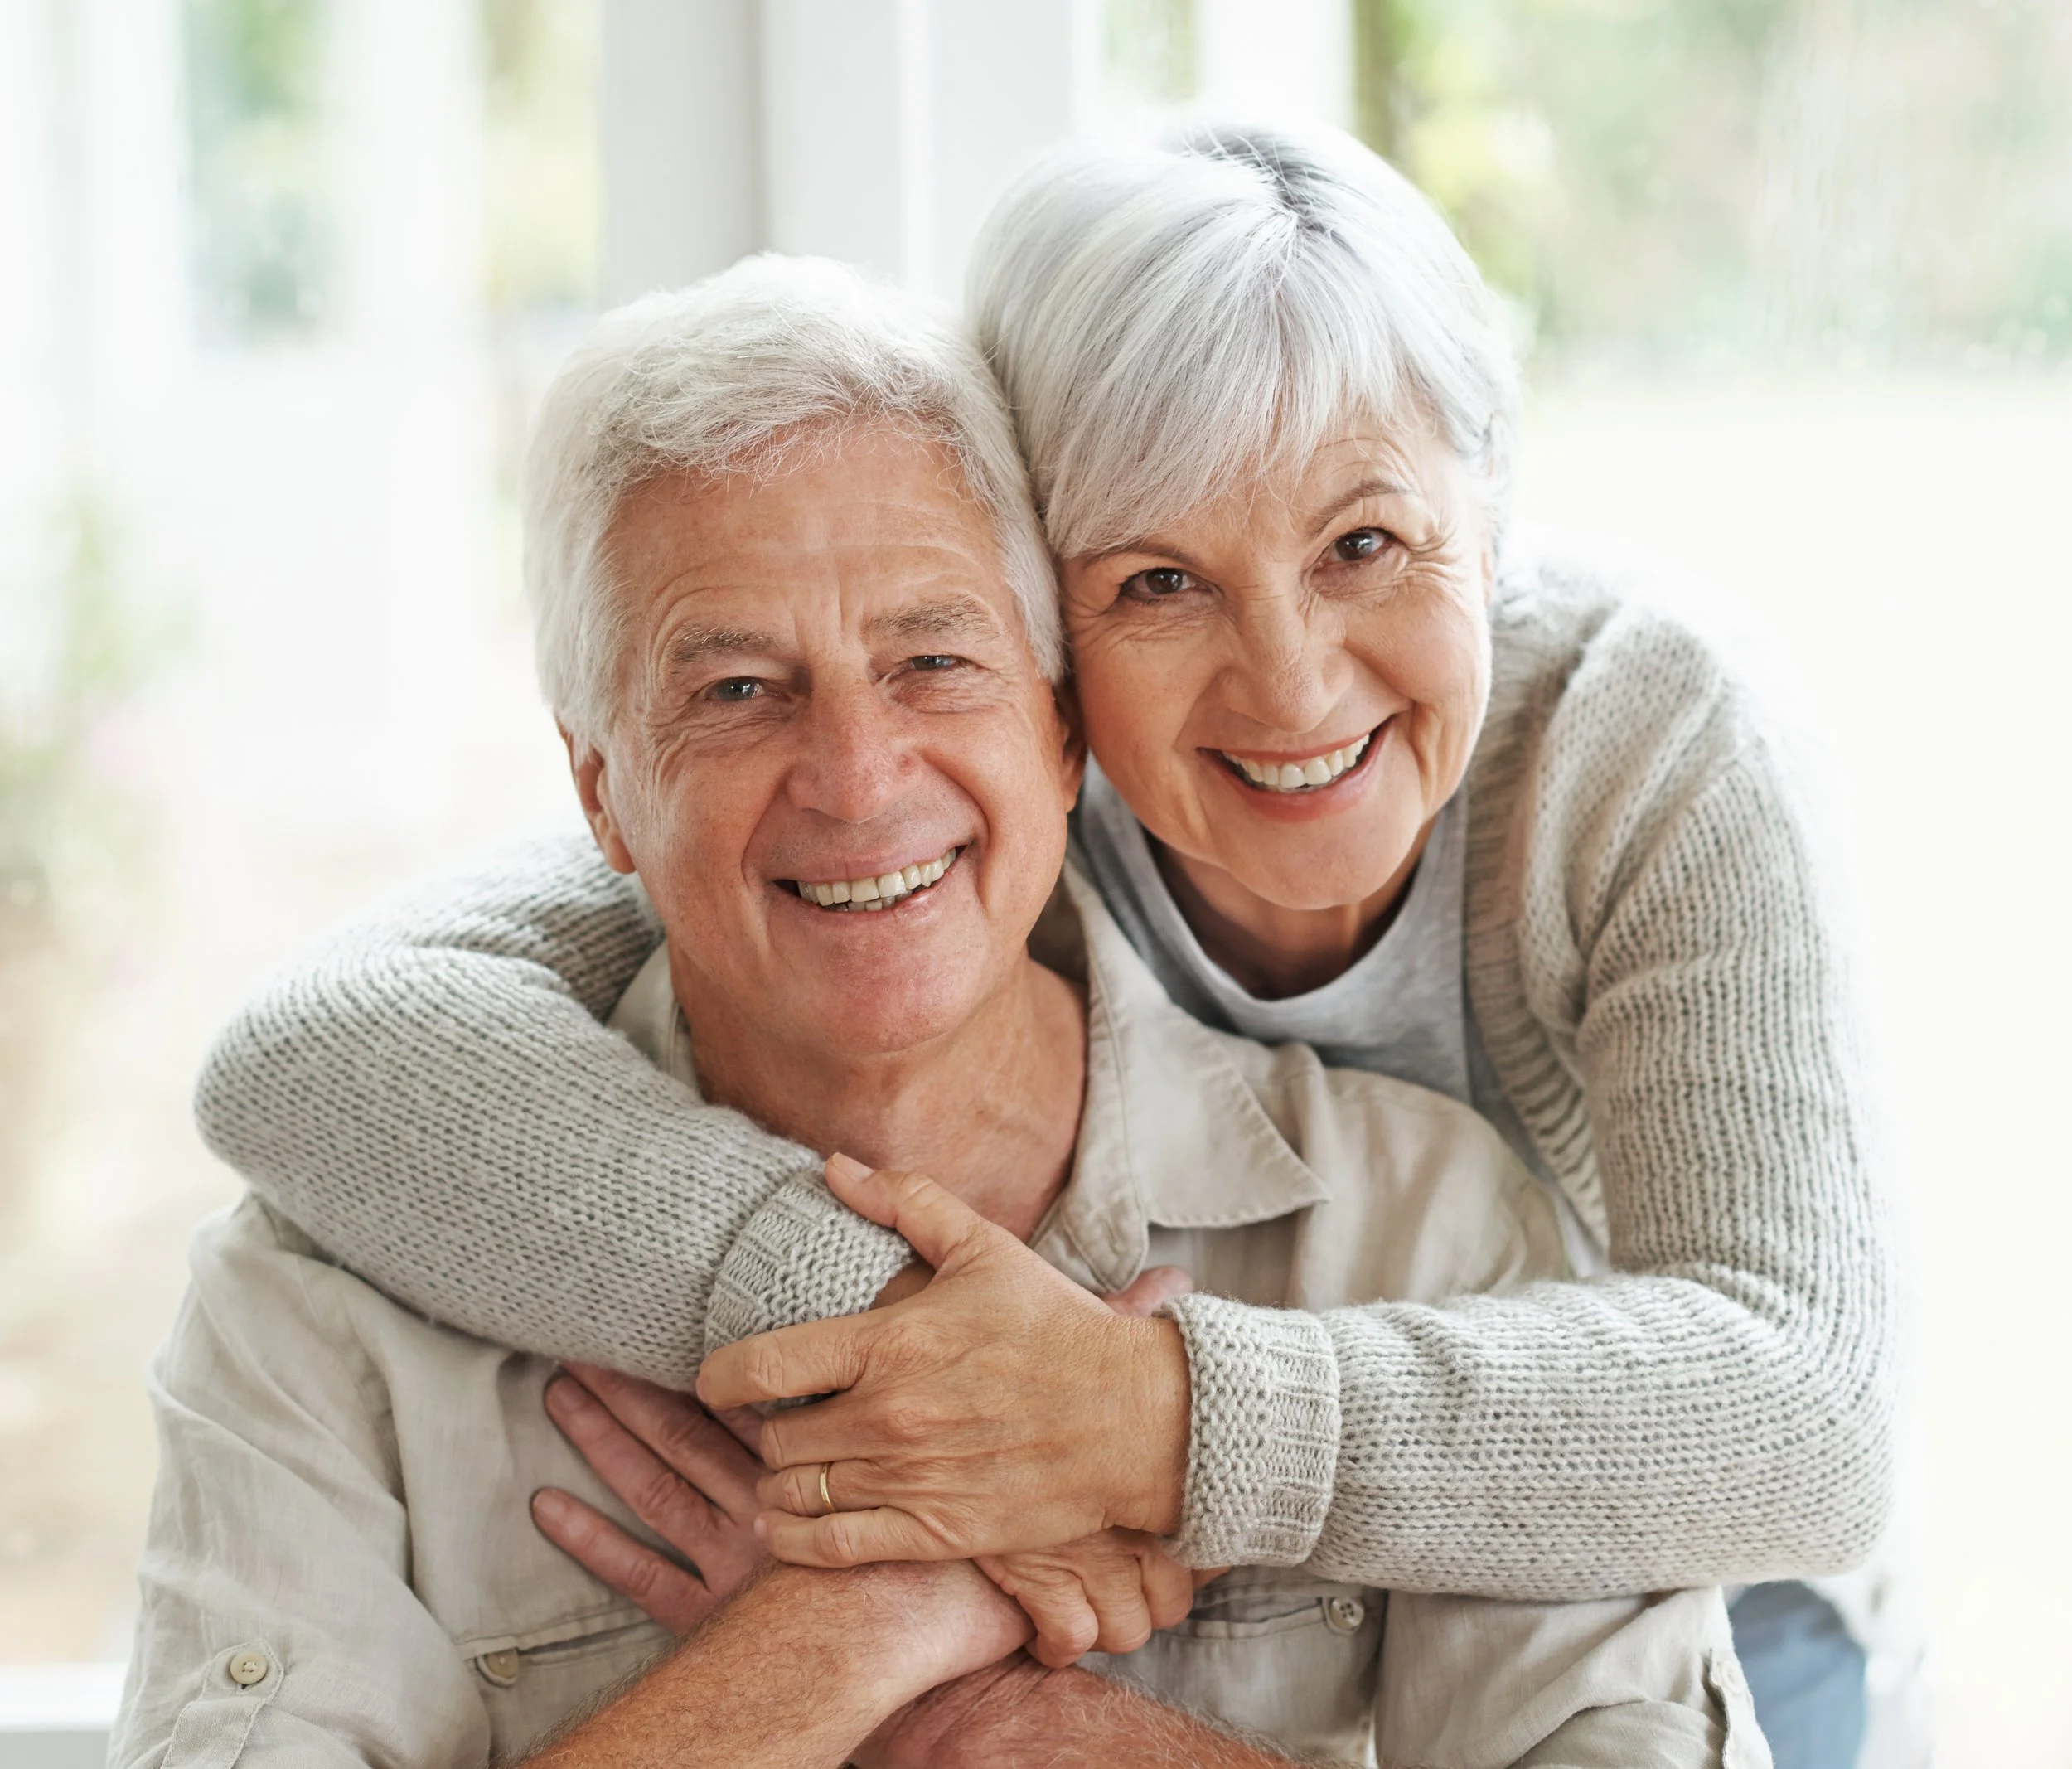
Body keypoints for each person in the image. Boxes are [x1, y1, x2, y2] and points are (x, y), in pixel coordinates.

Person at [195, 124, 1900, 1761]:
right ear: (1067, 652)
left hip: (1693, 1526)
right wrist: (921, 1375)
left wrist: (1127, 1421)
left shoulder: (1641, 743)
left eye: (1364, 540)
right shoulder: (918, 785)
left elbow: (1808, 1418)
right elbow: (326, 1042)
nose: (1292, 679)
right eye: (1158, 578)